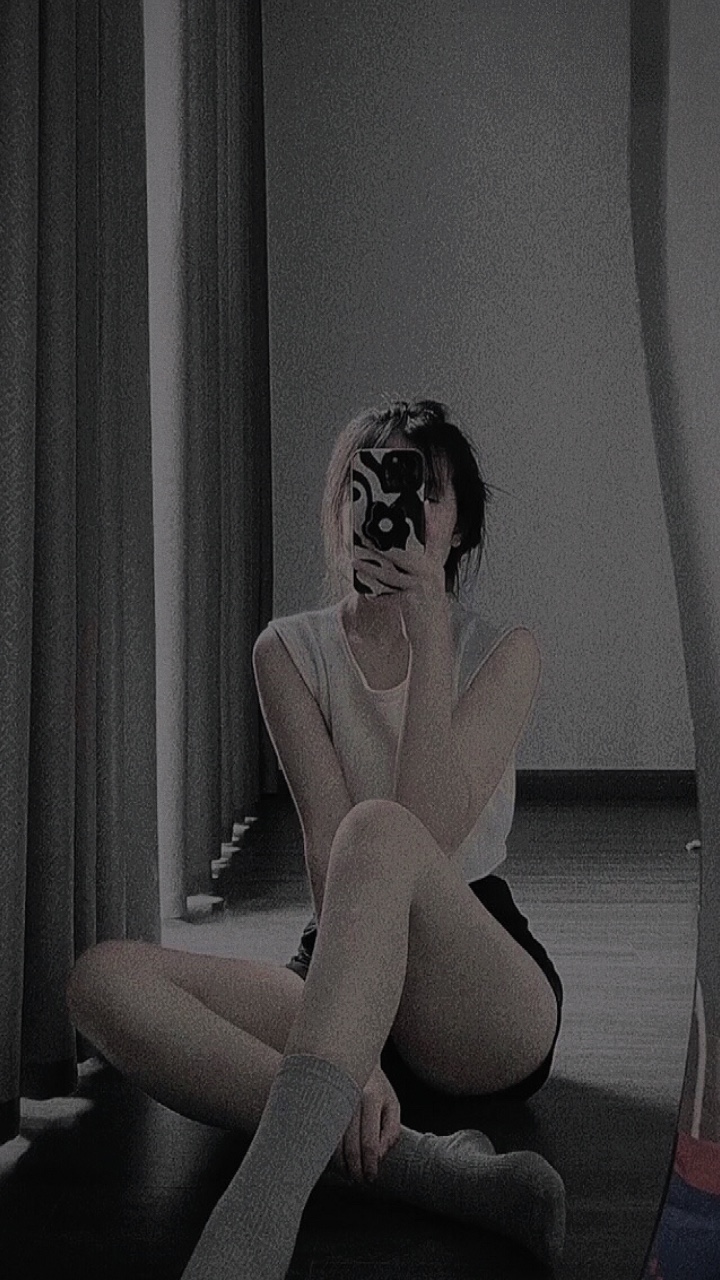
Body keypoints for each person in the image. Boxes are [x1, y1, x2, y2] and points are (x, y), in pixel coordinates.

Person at [65, 399, 566, 1280]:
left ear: (458, 527)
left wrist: (429, 631)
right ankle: (429, 1169)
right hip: (339, 944)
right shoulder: (288, 650)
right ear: (341, 509)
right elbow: (328, 857)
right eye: (369, 484)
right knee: (99, 981)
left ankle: (260, 1215)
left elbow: (427, 831)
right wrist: (355, 1057)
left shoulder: (504, 651)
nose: (396, 508)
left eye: (424, 490)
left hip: (469, 968)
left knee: (383, 830)